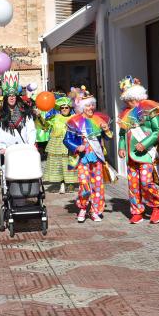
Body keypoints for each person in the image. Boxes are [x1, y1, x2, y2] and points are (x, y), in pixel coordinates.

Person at [117, 76, 159, 224]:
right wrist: (121, 146)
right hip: (131, 155)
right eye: (127, 100)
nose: (128, 103)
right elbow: (123, 133)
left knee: (145, 182)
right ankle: (136, 211)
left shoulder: (150, 109)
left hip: (146, 153)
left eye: (131, 100)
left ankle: (157, 206)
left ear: (137, 97)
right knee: (133, 184)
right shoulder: (125, 113)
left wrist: (144, 143)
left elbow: (157, 131)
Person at [63, 87, 115, 222]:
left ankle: (95, 211)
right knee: (84, 185)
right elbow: (67, 139)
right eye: (88, 105)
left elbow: (109, 138)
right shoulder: (74, 121)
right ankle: (82, 208)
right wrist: (76, 147)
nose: (91, 107)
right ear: (81, 107)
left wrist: (107, 130)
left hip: (97, 157)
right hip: (82, 158)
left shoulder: (99, 119)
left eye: (92, 105)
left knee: (98, 185)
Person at [0, 71, 36, 155]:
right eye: (9, 96)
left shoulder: (25, 112)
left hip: (23, 150)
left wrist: (30, 146)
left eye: (14, 96)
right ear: (5, 98)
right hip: (5, 152)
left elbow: (31, 130)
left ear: (17, 97)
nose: (12, 98)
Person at [41, 96, 78, 193]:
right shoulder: (55, 118)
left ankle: (70, 184)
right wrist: (38, 116)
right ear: (59, 109)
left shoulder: (74, 118)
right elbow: (44, 125)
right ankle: (62, 184)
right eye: (62, 107)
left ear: (70, 108)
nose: (64, 109)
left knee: (70, 164)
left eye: (66, 107)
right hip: (57, 145)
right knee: (59, 165)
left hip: (70, 145)